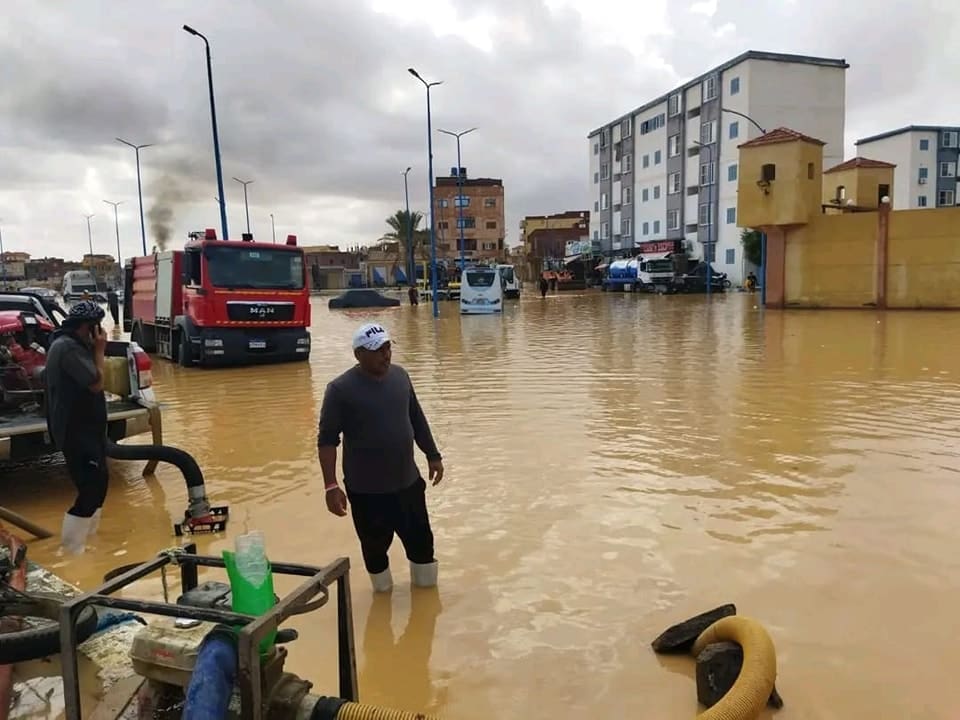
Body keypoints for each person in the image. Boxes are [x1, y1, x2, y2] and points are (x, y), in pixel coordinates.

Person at [317, 323, 444, 593]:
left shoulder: (401, 377)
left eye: (387, 348)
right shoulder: (339, 390)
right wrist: (330, 486)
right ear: (358, 355)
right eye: (377, 350)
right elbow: (327, 441)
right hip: (367, 493)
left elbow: (416, 418)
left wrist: (432, 455)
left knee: (423, 546)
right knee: (375, 553)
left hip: (408, 485)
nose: (385, 355)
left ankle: (425, 604)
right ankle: (382, 599)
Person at [44, 300, 109, 555]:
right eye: (98, 327)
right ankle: (71, 551)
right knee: (90, 489)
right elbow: (96, 383)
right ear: (88, 328)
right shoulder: (68, 348)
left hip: (87, 431)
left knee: (99, 483)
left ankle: (89, 543)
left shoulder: (74, 345)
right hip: (75, 431)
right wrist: (100, 350)